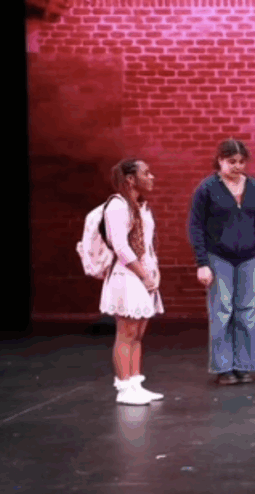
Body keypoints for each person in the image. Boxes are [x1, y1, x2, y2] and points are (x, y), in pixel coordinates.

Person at [188, 139, 255, 385]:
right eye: (231, 161)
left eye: (241, 162)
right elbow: (195, 226)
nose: (237, 166)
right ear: (220, 161)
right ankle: (224, 368)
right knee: (222, 311)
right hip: (218, 258)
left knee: (246, 312)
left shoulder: (254, 187)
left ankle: (244, 366)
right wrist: (202, 262)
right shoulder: (207, 188)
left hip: (249, 258)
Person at [100, 158, 164, 405]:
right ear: (130, 179)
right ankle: (124, 387)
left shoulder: (141, 206)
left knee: (138, 333)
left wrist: (153, 272)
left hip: (144, 273)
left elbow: (147, 244)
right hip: (127, 275)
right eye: (146, 173)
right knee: (126, 333)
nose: (151, 177)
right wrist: (143, 274)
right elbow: (121, 247)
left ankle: (136, 384)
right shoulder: (118, 206)